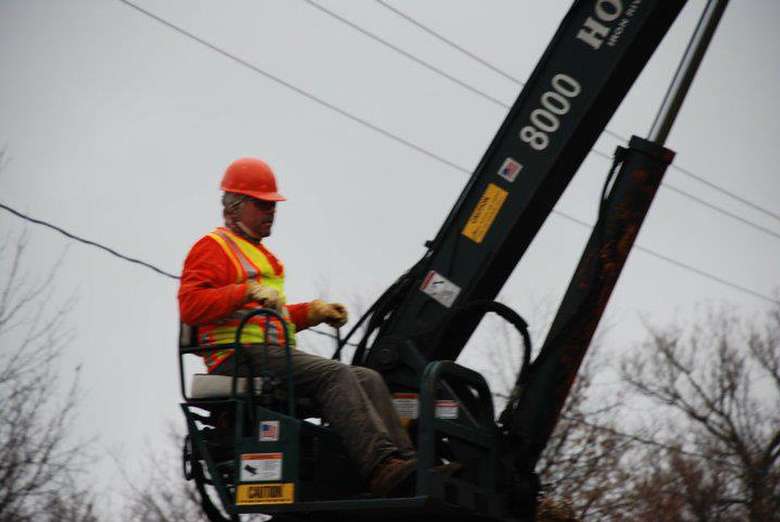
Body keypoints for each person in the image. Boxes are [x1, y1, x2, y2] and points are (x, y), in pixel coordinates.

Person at [178, 157, 416, 496]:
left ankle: (407, 466)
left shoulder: (262, 256)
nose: (270, 211)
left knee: (368, 378)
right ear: (235, 206)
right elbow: (191, 305)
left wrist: (313, 312)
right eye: (262, 204)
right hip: (235, 358)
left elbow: (271, 318)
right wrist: (244, 291)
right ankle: (380, 468)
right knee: (335, 375)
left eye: (272, 205)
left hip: (267, 354)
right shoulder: (213, 248)